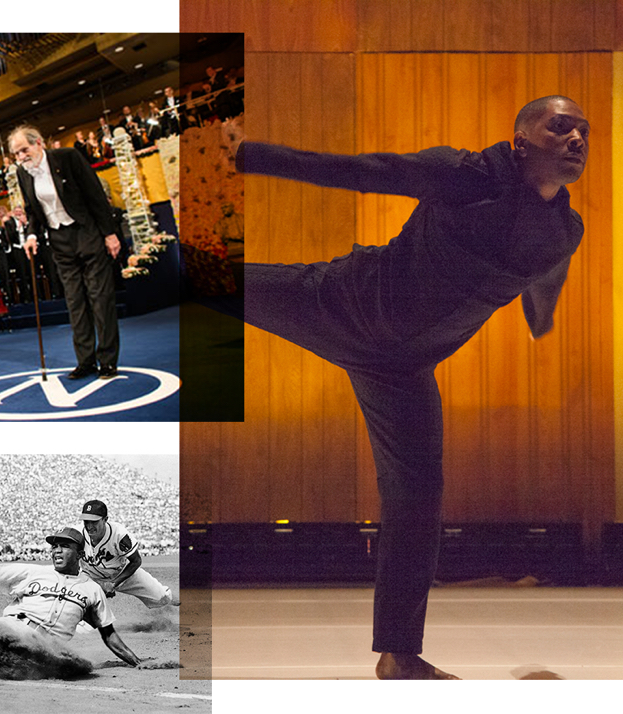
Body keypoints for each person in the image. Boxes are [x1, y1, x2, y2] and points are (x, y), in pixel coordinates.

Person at [231, 95, 590, 680]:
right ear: (522, 141)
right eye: (561, 127)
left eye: (583, 132)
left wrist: (540, 319)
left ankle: (398, 654)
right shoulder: (464, 175)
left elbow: (548, 272)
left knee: (418, 496)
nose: (576, 139)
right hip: (343, 305)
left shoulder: (563, 230)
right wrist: (251, 155)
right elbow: (363, 170)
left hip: (401, 367)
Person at [10, 124, 121, 379]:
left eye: (24, 150)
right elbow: (32, 209)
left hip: (86, 233)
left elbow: (95, 195)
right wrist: (31, 235)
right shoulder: (22, 172)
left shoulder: (68, 157)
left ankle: (107, 360)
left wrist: (110, 233)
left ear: (38, 143)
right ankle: (85, 361)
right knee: (75, 302)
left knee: (100, 298)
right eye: (16, 154)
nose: (21, 157)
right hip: (59, 240)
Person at [0, 516, 142, 665]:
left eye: (64, 546)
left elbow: (109, 634)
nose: (57, 551)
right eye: (55, 546)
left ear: (80, 554)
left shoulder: (92, 590)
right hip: (10, 628)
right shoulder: (33, 572)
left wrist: (137, 662)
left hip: (43, 648)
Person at [77, 500, 178, 608]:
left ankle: (174, 605)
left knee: (161, 598)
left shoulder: (119, 535)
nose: (89, 526)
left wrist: (113, 583)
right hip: (90, 576)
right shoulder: (76, 533)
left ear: (105, 519)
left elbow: (136, 560)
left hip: (122, 573)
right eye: (86, 521)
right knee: (74, 599)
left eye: (94, 522)